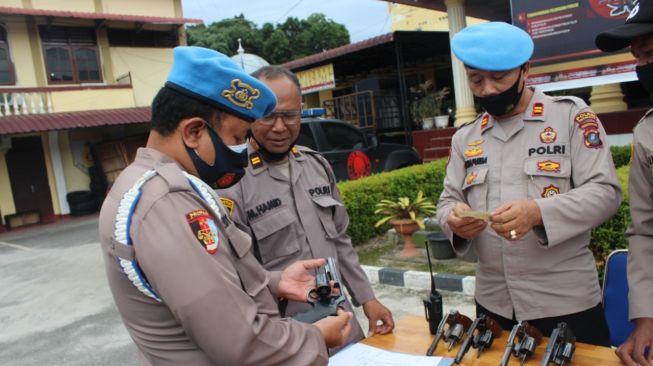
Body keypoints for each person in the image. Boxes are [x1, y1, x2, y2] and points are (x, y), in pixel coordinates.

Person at [98, 47, 353, 366]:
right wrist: (316, 337)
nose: (243, 151)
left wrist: (276, 283)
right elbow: (241, 343)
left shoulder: (154, 184)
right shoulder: (167, 202)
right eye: (237, 137)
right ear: (193, 132)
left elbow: (210, 284)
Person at [436, 22, 622, 346]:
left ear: (526, 70)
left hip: (564, 304)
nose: (489, 89)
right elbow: (447, 201)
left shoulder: (570, 118)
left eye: (500, 77)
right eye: (476, 79)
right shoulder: (465, 138)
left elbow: (605, 192)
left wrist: (537, 213)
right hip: (494, 305)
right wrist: (453, 219)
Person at [217, 66, 394, 350]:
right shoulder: (232, 183)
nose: (279, 127)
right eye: (268, 115)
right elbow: (237, 274)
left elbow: (340, 241)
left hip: (340, 317)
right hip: (286, 333)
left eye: (289, 115)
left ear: (301, 112)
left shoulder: (316, 166)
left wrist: (367, 298)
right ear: (250, 116)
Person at [596, 2, 653, 364]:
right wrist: (646, 318)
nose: (643, 68)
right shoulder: (647, 132)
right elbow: (645, 232)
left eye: (649, 54)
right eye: (638, 58)